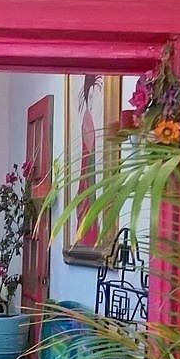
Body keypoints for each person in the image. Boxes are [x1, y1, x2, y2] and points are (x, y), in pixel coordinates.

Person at [75, 74, 102, 247]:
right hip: (88, 165)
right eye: (90, 96)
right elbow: (90, 146)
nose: (92, 100)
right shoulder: (87, 118)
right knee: (87, 198)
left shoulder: (88, 117)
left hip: (89, 165)